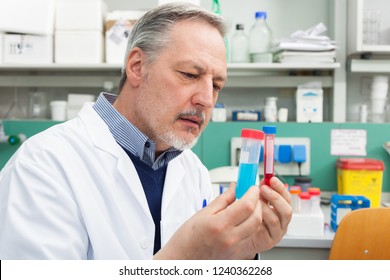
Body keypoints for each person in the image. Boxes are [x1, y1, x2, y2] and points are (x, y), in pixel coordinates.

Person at [0, 3, 291, 260]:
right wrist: (180, 259)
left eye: (216, 85)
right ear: (137, 67)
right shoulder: (42, 166)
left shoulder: (194, 172)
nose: (206, 98)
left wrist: (236, 255)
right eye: (190, 75)